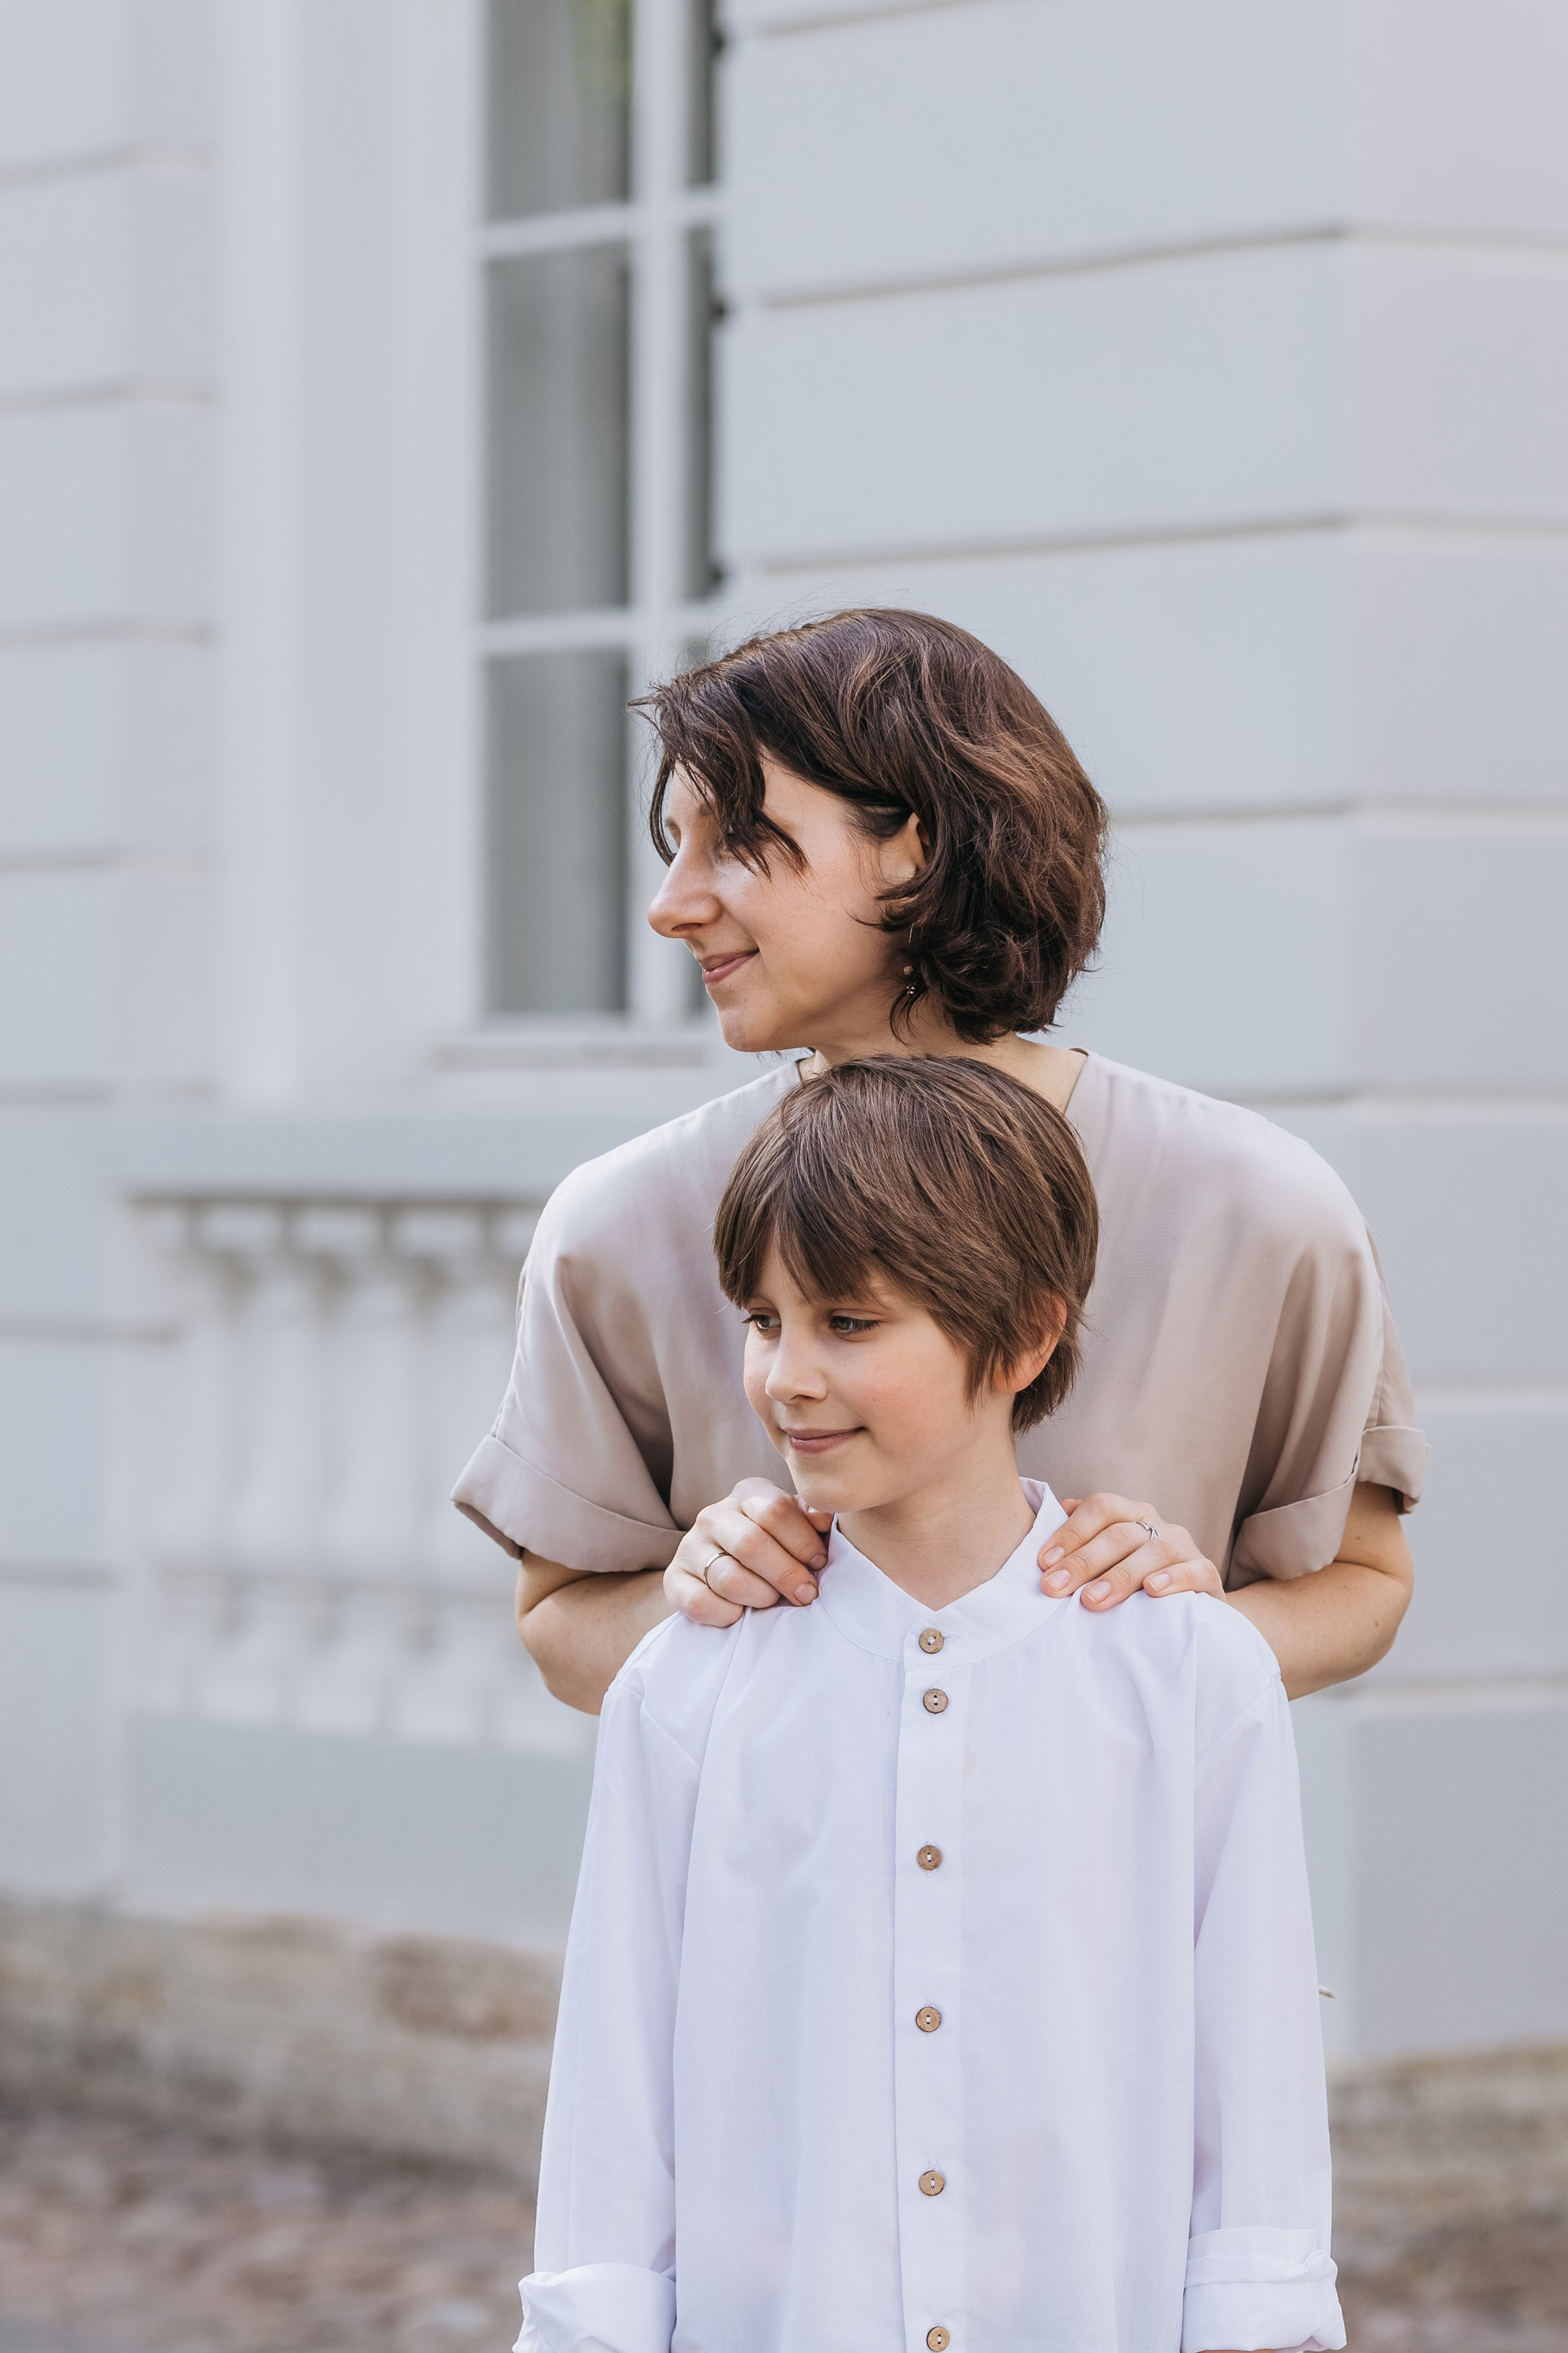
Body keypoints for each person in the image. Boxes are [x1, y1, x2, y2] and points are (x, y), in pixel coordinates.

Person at [453, 608, 1423, 1713]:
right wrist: (692, 1596)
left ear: (914, 845)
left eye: (732, 842)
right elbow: (561, 1620)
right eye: (671, 850)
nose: (670, 908)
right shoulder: (618, 1225)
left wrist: (1183, 1630)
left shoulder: (1263, 1212)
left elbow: (1364, 1586)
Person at [519, 1056, 1344, 2353]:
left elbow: (1247, 2073)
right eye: (762, 1319)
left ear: (1020, 1335)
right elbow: (617, 2091)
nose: (786, 1376)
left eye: (848, 1323)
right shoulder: (686, 1686)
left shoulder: (1189, 1673)